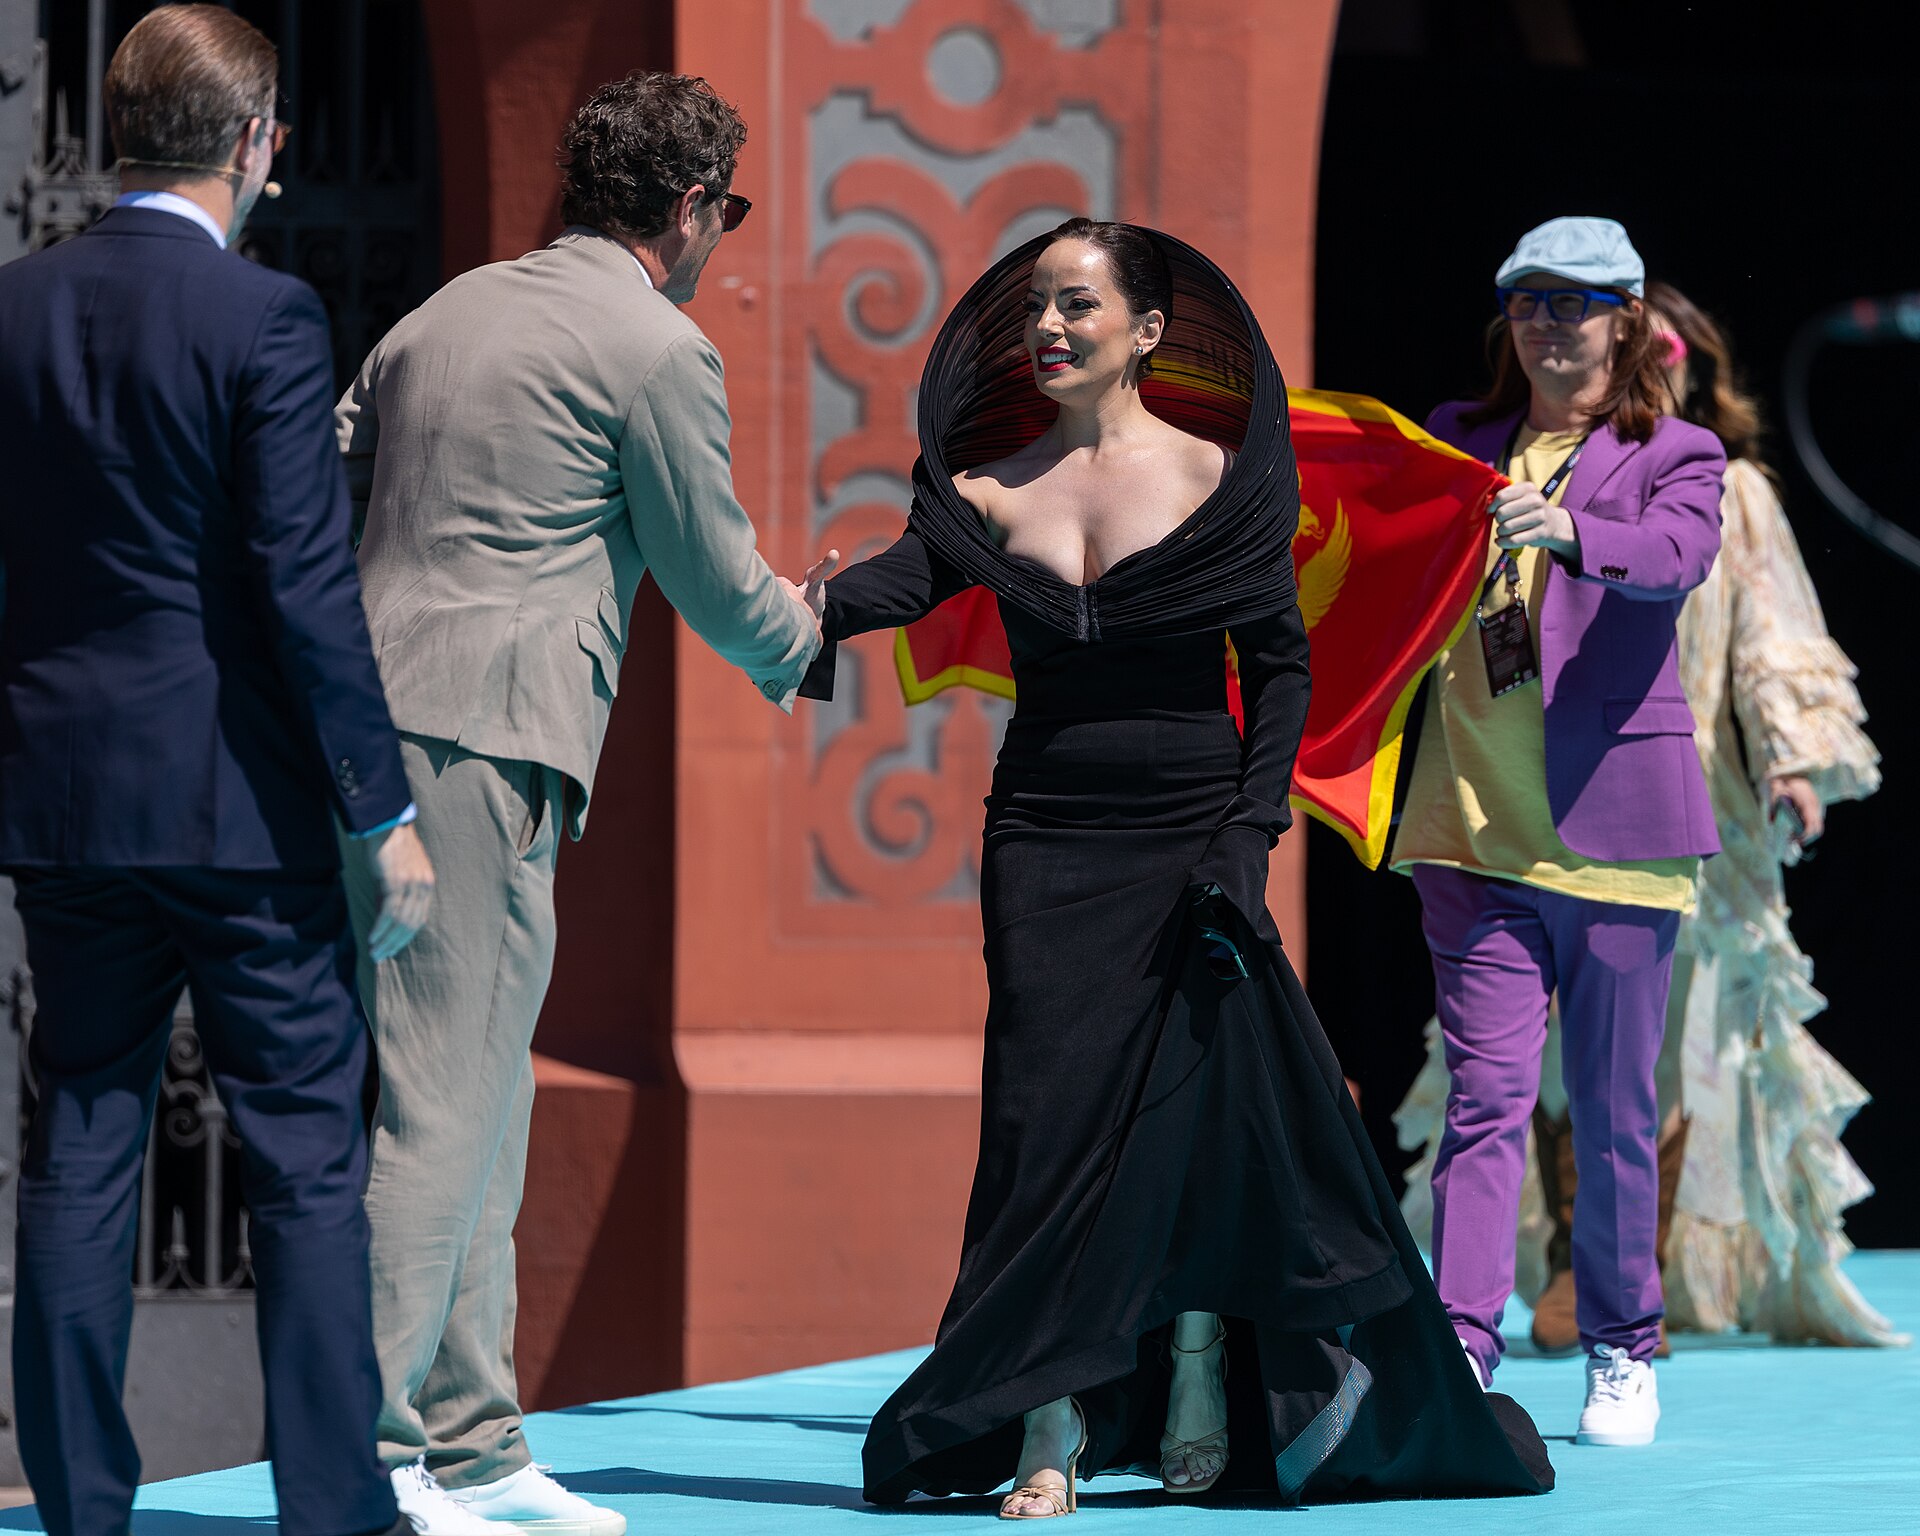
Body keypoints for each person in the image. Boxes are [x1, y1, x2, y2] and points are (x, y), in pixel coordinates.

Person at [796, 219, 1552, 1518]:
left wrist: (1244, 838)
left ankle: (1198, 1372)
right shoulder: (984, 487)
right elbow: (896, 586)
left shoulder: (1219, 477)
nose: (1048, 328)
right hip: (1043, 836)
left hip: (1194, 823)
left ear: (1147, 331)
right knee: (1046, 1132)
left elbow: (1280, 672)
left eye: (1078, 307)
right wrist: (801, 608)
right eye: (1037, 307)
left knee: (1190, 1114)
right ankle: (1049, 1419)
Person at [335, 71, 820, 1536]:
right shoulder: (654, 347)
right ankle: (363, 1453)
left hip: (371, 733)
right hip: (481, 746)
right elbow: (715, 574)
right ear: (686, 209)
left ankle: (475, 1445)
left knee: (485, 1084)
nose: (723, 236)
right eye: (724, 210)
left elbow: (323, 493)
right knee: (441, 1102)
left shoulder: (439, 313)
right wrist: (814, 630)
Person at [0, 9, 433, 1535]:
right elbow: (304, 588)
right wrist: (379, 806)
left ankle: (78, 1513)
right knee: (307, 1157)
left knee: (83, 1145)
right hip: (240, 808)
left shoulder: (14, 307)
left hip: (63, 803)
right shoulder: (266, 320)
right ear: (256, 143)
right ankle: (331, 1505)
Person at [1393, 281, 1903, 1352]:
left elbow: (1774, 635)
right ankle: (1560, 1266)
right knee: (1511, 1068)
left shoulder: (1725, 486)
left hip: (1680, 789)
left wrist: (1797, 760)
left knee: (1672, 1048)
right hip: (1511, 797)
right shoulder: (1511, 458)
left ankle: (1639, 1282)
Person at [1389, 217, 1726, 1448]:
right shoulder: (1458, 440)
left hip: (1619, 838)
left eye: (1577, 302)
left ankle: (1623, 1348)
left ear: (1627, 320)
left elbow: (1676, 557)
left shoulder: (1675, 451)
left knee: (1613, 1111)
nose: (1549, 322)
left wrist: (1572, 530)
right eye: (1528, 300)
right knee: (1484, 1105)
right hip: (1470, 831)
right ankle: (1462, 1347)